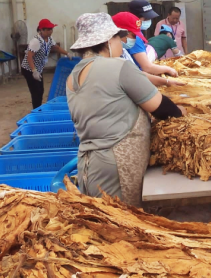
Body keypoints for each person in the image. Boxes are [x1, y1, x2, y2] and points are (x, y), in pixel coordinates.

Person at [67, 13, 186, 207]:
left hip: (88, 164)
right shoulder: (117, 66)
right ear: (107, 41)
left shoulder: (74, 74)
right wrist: (181, 111)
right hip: (118, 164)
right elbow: (161, 108)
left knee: (102, 221)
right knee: (125, 224)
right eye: (117, 38)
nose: (121, 44)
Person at [111, 12, 183, 87]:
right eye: (133, 35)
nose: (135, 39)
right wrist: (167, 73)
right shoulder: (109, 59)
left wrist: (166, 82)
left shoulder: (124, 52)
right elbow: (146, 68)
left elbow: (137, 73)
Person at [21, 18, 71, 109]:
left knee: (41, 90)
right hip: (29, 69)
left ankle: (38, 108)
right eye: (48, 29)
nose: (50, 31)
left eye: (51, 29)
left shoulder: (49, 39)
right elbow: (29, 56)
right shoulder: (36, 41)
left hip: (38, 68)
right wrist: (34, 71)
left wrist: (67, 53)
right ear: (41, 30)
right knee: (36, 91)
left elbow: (56, 47)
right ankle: (36, 110)